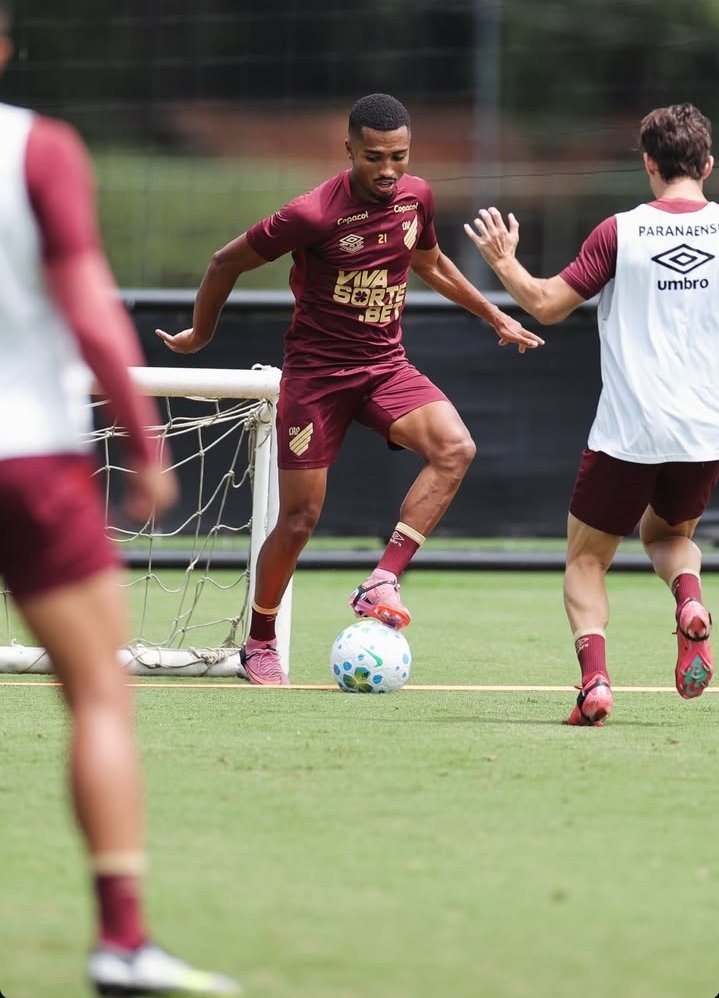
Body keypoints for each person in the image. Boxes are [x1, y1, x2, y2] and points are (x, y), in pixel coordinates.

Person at [0, 6, 239, 994]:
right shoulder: (38, 149)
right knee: (99, 693)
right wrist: (144, 444)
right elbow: (90, 306)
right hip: (30, 461)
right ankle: (121, 937)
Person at [157, 92, 545, 685]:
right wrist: (199, 335)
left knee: (455, 448)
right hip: (317, 379)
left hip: (385, 366)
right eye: (374, 158)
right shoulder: (312, 214)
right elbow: (223, 262)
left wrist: (495, 317)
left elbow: (432, 264)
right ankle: (260, 642)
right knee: (300, 520)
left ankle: (383, 578)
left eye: (399, 156)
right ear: (349, 151)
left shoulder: (417, 196)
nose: (389, 171)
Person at [464, 102, 719, 727]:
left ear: (648, 163)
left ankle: (596, 683)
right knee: (671, 538)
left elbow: (548, 305)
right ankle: (689, 601)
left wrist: (504, 264)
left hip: (628, 432)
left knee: (585, 560)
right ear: (708, 165)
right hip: (705, 430)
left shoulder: (621, 231)